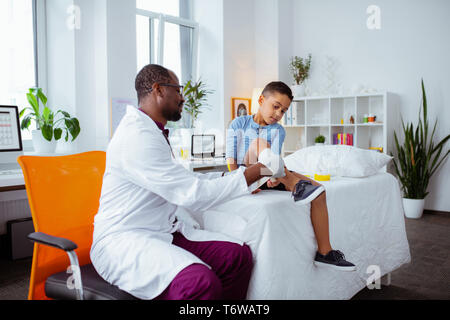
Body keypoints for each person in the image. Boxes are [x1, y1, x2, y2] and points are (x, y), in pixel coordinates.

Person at [90, 64, 287, 300]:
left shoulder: (153, 131)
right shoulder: (137, 137)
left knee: (238, 256)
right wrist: (255, 172)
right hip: (125, 240)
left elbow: (187, 179)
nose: (182, 97)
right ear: (158, 90)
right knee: (200, 283)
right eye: (178, 90)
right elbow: (191, 193)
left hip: (163, 230)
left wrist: (235, 176)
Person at [226, 81, 356, 271]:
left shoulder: (279, 130)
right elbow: (231, 159)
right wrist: (240, 184)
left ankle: (325, 252)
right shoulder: (239, 123)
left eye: (283, 111)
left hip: (269, 173)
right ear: (261, 100)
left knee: (319, 190)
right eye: (276, 107)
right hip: (245, 174)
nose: (278, 114)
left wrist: (274, 179)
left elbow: (274, 161)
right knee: (258, 143)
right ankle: (296, 184)